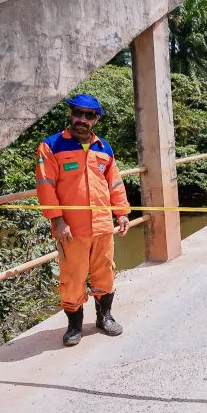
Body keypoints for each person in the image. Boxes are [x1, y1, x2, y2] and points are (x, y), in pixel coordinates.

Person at [36, 93, 131, 347]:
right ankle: (74, 325)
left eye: (88, 116)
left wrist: (121, 213)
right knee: (72, 277)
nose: (82, 120)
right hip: (71, 229)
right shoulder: (52, 146)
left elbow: (115, 183)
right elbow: (46, 186)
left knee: (105, 272)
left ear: (95, 119)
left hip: (102, 225)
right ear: (71, 114)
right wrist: (57, 220)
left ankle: (105, 317)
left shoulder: (104, 148)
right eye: (77, 113)